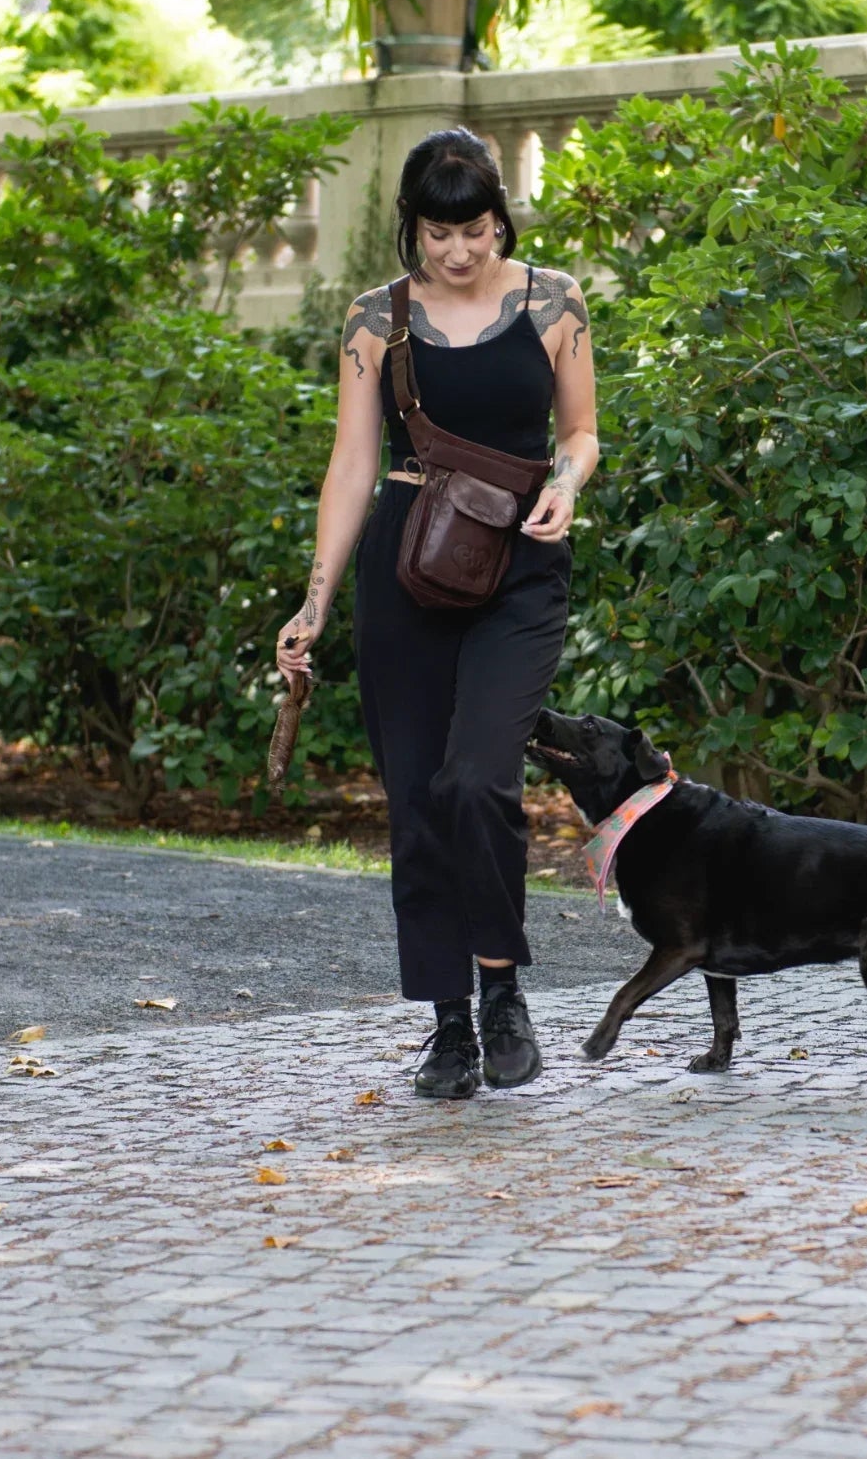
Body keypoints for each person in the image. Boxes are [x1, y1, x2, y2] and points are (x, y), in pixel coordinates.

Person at [274, 129, 599, 1100]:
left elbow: (581, 432)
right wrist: (315, 599)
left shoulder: (554, 300)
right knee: (416, 801)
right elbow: (350, 466)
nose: (457, 252)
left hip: (521, 560)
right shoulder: (377, 320)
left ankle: (504, 991)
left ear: (500, 216)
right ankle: (450, 1026)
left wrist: (570, 484)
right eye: (435, 233)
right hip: (406, 560)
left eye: (474, 229)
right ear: (410, 230)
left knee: (476, 780)